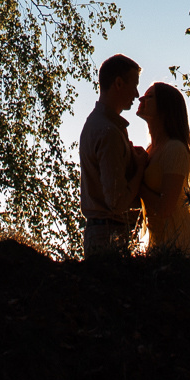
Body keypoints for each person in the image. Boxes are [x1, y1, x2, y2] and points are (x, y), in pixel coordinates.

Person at [135, 81, 190, 262]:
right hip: (160, 239)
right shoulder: (150, 150)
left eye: (149, 96)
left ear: (165, 108)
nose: (141, 99)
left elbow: (165, 208)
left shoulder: (175, 149)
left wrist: (137, 180)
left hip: (182, 243)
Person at [78, 54, 145, 257]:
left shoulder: (101, 125)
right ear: (118, 83)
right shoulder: (108, 132)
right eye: (134, 85)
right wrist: (140, 168)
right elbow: (117, 202)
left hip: (103, 232)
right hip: (110, 237)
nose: (136, 94)